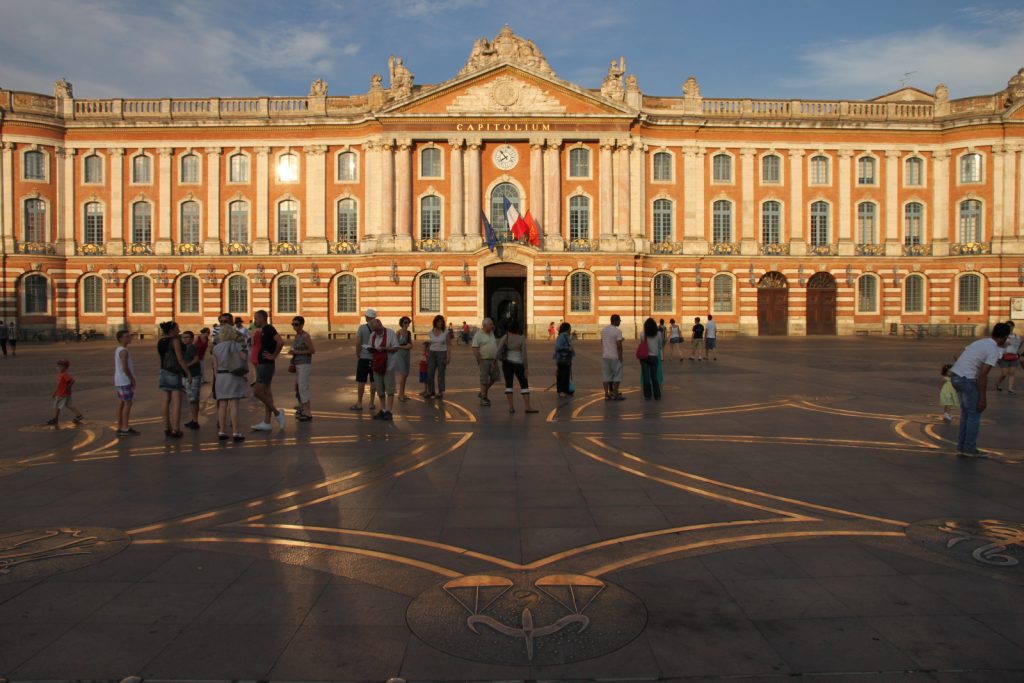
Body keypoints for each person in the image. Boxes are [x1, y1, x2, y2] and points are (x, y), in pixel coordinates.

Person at [948, 322, 1011, 457]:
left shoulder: (980, 342)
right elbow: (983, 375)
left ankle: (962, 447)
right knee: (974, 414)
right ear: (1005, 337)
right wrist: (983, 399)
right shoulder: (993, 350)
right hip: (966, 379)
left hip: (956, 376)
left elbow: (958, 356)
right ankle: (969, 448)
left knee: (966, 413)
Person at [211, 323, 248, 442]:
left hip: (220, 376)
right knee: (234, 405)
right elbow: (243, 358)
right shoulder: (235, 345)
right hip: (233, 375)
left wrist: (217, 378)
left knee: (222, 405)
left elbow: (214, 366)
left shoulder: (216, 348)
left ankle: (221, 430)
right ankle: (236, 432)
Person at [250, 309, 285, 431]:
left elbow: (280, 342)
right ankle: (267, 422)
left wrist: (273, 355)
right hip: (263, 364)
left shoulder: (269, 328)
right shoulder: (263, 330)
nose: (255, 320)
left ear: (262, 318)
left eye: (256, 318)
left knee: (257, 392)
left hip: (266, 365)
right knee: (266, 393)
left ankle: (277, 413)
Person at [157, 320, 191, 437]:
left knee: (165, 402)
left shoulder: (161, 341)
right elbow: (180, 359)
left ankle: (167, 427)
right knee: (176, 402)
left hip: (163, 372)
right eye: (177, 329)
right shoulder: (175, 341)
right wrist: (188, 373)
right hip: (173, 373)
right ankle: (176, 429)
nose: (179, 330)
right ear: (171, 331)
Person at [496, 319, 538, 413]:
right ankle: (527, 407)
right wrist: (526, 368)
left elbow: (498, 351)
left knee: (509, 384)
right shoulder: (521, 338)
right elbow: (524, 355)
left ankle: (511, 407)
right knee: (524, 385)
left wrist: (498, 359)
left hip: (507, 364)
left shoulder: (505, 337)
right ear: (517, 329)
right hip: (519, 364)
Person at [369, 317, 399, 420]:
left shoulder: (390, 333)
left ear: (380, 326)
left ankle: (389, 411)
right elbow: (370, 347)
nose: (375, 332)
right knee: (380, 389)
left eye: (377, 330)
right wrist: (370, 349)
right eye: (374, 331)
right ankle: (382, 410)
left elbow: (396, 348)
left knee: (389, 389)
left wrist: (385, 348)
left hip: (388, 365)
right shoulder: (373, 335)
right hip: (377, 365)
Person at [289, 316, 315, 421]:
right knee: (299, 387)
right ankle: (302, 408)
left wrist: (297, 352)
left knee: (303, 387)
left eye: (296, 324)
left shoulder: (305, 336)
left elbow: (312, 350)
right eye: (293, 324)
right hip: (298, 364)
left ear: (302, 325)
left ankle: (307, 411)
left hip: (304, 364)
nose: (294, 326)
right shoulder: (297, 336)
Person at [351, 309, 377, 411]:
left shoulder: (362, 328)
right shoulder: (377, 328)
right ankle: (371, 403)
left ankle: (359, 403)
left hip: (364, 358)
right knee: (373, 381)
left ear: (367, 317)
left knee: (361, 380)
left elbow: (358, 342)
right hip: (374, 358)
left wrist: (358, 353)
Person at [113, 330, 138, 436]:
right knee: (128, 403)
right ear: (121, 339)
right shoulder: (124, 351)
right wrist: (132, 378)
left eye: (129, 336)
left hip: (119, 380)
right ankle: (125, 427)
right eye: (127, 336)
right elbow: (125, 367)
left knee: (122, 403)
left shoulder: (119, 349)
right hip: (124, 380)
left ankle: (120, 425)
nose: (129, 338)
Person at [471, 317, 500, 406]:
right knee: (484, 379)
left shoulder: (491, 333)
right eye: (490, 324)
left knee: (495, 378)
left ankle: (482, 392)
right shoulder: (478, 335)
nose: (492, 326)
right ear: (484, 325)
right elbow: (475, 348)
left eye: (492, 324)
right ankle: (483, 397)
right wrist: (480, 360)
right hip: (484, 360)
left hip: (493, 361)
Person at [46, 359, 84, 426]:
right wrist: (55, 393)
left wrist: (68, 388)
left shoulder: (64, 375)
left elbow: (72, 381)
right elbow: (59, 385)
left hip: (62, 394)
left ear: (66, 367)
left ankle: (55, 419)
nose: (59, 368)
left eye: (61, 366)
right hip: (62, 393)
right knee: (70, 405)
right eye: (58, 366)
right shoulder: (60, 375)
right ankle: (79, 415)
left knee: (57, 406)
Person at [180, 330, 202, 430]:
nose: (184, 339)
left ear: (192, 339)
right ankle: (193, 419)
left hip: (192, 376)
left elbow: (196, 359)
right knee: (192, 399)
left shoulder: (191, 347)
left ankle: (195, 421)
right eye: (183, 337)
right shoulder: (186, 348)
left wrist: (186, 366)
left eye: (187, 337)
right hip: (190, 375)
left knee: (193, 399)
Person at [601, 314, 625, 400]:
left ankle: (606, 394)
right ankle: (615, 394)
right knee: (617, 376)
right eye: (619, 320)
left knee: (606, 376)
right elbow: (618, 346)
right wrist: (621, 357)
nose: (620, 322)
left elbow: (603, 342)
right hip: (615, 356)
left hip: (606, 356)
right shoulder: (617, 331)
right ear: (615, 321)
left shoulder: (604, 330)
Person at [425, 314, 450, 399]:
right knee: (430, 373)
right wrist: (426, 354)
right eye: (438, 322)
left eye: (441, 322)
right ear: (435, 323)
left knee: (441, 373)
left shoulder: (446, 332)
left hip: (442, 353)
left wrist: (448, 357)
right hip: (432, 353)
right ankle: (431, 391)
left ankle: (440, 392)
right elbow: (430, 344)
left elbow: (449, 345)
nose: (440, 323)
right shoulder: (431, 332)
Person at [639, 317, 663, 400]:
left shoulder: (643, 334)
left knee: (646, 376)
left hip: (644, 357)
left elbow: (641, 344)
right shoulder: (659, 334)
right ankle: (657, 394)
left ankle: (647, 395)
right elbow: (660, 346)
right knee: (654, 376)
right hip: (654, 357)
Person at [995, 321, 1020, 395]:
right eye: (1008, 326)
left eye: (1011, 326)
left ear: (1013, 327)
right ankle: (998, 383)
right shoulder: (1002, 336)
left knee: (1012, 373)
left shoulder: (1016, 336)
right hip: (1003, 356)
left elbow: (1017, 346)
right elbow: (998, 346)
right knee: (1004, 374)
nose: (1010, 327)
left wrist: (1017, 353)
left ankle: (1010, 389)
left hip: (1013, 356)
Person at [554, 321, 575, 398]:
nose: (570, 330)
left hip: (566, 359)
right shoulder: (563, 336)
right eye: (570, 328)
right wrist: (568, 348)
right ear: (567, 329)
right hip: (563, 359)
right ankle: (561, 391)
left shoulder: (565, 336)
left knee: (565, 375)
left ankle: (565, 390)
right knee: (563, 375)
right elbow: (558, 347)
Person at [394, 317, 413, 402]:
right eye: (405, 323)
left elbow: (411, 345)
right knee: (404, 374)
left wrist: (407, 346)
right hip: (400, 354)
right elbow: (395, 345)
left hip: (406, 354)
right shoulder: (398, 332)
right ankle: (400, 394)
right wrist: (404, 347)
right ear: (402, 323)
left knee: (406, 374)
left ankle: (402, 393)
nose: (407, 324)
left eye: (408, 323)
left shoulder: (408, 333)